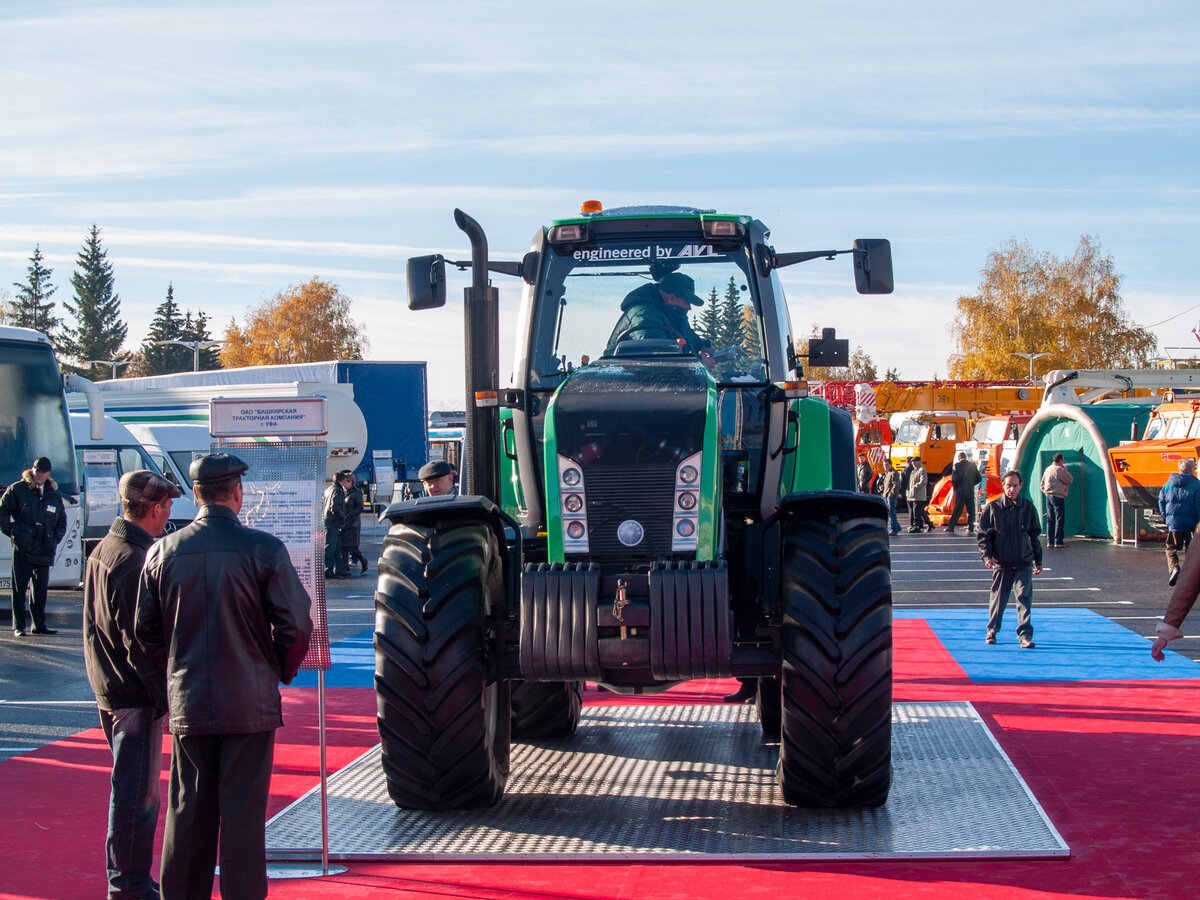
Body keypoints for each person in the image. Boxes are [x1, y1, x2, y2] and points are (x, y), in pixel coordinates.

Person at [135, 452, 312, 900]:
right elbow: (295, 624)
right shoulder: (262, 547)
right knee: (242, 816)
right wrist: (274, 669)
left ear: (195, 494)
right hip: (249, 702)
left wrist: (177, 670)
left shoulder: (163, 551)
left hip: (191, 699)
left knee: (188, 809)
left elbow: (145, 632)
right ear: (237, 493)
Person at [83, 469, 181, 900]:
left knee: (134, 795)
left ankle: (131, 881)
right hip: (133, 695)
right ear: (155, 509)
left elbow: (96, 630)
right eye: (167, 507)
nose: (170, 514)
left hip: (112, 688)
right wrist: (166, 700)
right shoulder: (133, 559)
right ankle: (128, 886)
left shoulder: (107, 547)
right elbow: (138, 641)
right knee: (136, 800)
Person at [0, 455, 67, 636]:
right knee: (19, 589)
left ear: (48, 474)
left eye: (43, 472)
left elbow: (62, 522)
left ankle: (39, 625)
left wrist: (53, 540)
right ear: (32, 470)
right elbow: (2, 512)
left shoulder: (53, 495)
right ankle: (19, 626)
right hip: (23, 547)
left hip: (44, 548)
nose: (39, 475)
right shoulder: (18, 490)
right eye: (37, 471)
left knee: (40, 591)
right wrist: (14, 532)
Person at [977, 470, 1043, 648]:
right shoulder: (993, 508)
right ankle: (992, 631)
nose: (1011, 489)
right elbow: (983, 536)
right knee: (998, 600)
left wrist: (1038, 560)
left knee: (1024, 599)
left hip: (1023, 562)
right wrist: (987, 557)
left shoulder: (1028, 507)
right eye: (1008, 485)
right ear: (1003, 486)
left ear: (1020, 486)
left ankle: (1025, 636)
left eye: (1015, 485)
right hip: (1001, 563)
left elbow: (1035, 535)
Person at [603, 271, 713, 359]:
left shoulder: (672, 314)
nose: (688, 307)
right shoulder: (644, 314)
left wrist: (701, 347)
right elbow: (656, 354)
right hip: (628, 380)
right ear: (671, 297)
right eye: (686, 301)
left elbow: (685, 334)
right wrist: (699, 361)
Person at [1157, 458, 1200, 586]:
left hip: (1174, 523)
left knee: (1171, 548)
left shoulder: (1168, 484)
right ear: (1192, 469)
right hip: (1190, 523)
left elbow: (1161, 501)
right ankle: (1188, 576)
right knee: (1191, 549)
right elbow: (1198, 505)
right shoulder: (1197, 485)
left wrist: (1167, 517)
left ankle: (1174, 568)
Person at [1040, 452, 1073, 548]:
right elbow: (1070, 480)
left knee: (1050, 519)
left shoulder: (1047, 469)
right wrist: (1065, 471)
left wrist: (1046, 492)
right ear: (1061, 460)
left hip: (1048, 497)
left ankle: (1049, 542)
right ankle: (1058, 541)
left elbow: (1041, 484)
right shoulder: (1060, 470)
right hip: (1058, 496)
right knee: (1059, 518)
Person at [946, 451, 982, 534]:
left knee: (957, 510)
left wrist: (956, 488)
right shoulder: (972, 465)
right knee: (971, 510)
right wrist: (972, 484)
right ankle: (971, 527)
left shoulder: (956, 466)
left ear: (959, 458)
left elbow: (954, 479)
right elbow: (979, 478)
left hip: (960, 491)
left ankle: (951, 527)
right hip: (970, 490)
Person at [340, 470, 368, 574]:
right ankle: (345, 566)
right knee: (343, 545)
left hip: (353, 523)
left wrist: (350, 515)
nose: (343, 485)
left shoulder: (356, 492)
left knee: (352, 546)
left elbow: (360, 507)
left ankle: (361, 561)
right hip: (345, 521)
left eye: (345, 483)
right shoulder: (344, 491)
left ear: (349, 482)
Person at [323, 472, 348, 578]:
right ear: (341, 480)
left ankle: (339, 569)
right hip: (333, 522)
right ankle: (328, 570)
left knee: (336, 547)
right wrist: (342, 518)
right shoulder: (338, 490)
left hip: (328, 520)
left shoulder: (329, 489)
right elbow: (335, 507)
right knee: (331, 546)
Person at [906, 457, 931, 533]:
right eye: (912, 462)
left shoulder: (921, 470)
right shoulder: (914, 470)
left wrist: (915, 486)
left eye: (914, 462)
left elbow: (923, 481)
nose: (913, 464)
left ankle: (917, 527)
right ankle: (930, 525)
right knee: (917, 511)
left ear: (919, 462)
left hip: (919, 494)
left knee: (917, 512)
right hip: (914, 494)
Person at [880, 459, 903, 536]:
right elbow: (889, 484)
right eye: (884, 465)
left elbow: (896, 484)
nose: (885, 466)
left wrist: (891, 494)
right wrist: (883, 488)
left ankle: (894, 529)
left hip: (891, 496)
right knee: (889, 512)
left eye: (886, 465)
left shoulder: (894, 473)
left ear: (890, 464)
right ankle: (897, 527)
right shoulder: (887, 473)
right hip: (886, 495)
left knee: (891, 513)